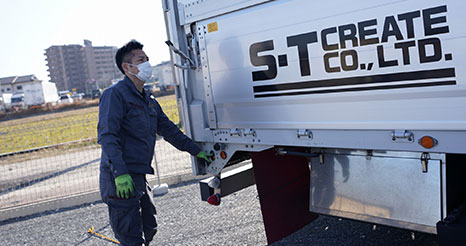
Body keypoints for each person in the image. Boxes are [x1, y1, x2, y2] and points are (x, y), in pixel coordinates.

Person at [97, 40, 212, 246]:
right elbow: (108, 136)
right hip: (119, 178)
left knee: (149, 227)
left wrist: (196, 150)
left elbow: (169, 130)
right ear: (127, 67)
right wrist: (120, 173)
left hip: (139, 176)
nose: (147, 63)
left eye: (147, 59)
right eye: (141, 60)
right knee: (131, 237)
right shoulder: (115, 95)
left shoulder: (148, 99)